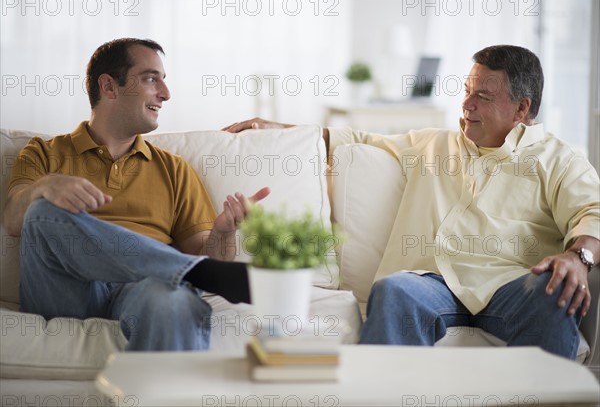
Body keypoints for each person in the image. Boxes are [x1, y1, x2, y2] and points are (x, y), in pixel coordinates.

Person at [224, 44, 600, 359]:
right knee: (395, 289)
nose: (466, 104)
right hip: (431, 284)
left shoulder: (558, 159)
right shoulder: (434, 142)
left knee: (555, 291)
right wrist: (276, 129)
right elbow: (353, 137)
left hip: (512, 285)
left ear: (522, 109)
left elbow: (592, 211)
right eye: (467, 90)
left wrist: (578, 256)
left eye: (483, 97)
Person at [3, 38, 270, 351]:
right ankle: (186, 271)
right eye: (150, 79)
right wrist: (45, 186)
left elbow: (210, 255)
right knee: (40, 210)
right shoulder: (44, 153)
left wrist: (223, 233)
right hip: (64, 290)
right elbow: (12, 220)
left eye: (163, 81)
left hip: (143, 289)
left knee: (172, 301)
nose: (166, 94)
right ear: (109, 86)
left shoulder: (174, 169)